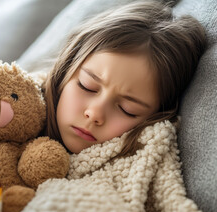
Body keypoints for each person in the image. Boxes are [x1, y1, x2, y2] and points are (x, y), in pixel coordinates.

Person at [42, 0, 206, 155]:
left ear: (157, 116)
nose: (94, 113)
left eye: (127, 109)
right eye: (87, 85)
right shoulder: (21, 102)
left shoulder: (139, 168)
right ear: (66, 68)